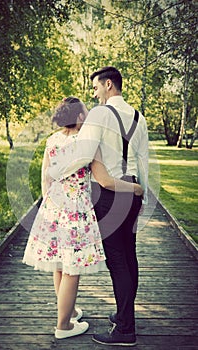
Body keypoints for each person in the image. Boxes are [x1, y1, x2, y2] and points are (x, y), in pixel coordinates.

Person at [22, 96, 143, 340]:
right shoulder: (87, 142)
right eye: (86, 113)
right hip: (75, 207)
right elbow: (106, 181)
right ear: (78, 117)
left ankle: (68, 311)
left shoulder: (51, 140)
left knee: (58, 262)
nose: (88, 117)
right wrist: (135, 189)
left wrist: (51, 203)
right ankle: (63, 325)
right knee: (71, 268)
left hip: (52, 205)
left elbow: (45, 178)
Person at [48, 67, 149, 346]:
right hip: (133, 191)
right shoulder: (139, 117)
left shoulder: (100, 114)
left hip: (110, 193)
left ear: (108, 85)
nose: (93, 93)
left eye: (95, 88)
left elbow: (83, 155)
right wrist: (144, 197)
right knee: (130, 257)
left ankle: (125, 331)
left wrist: (56, 172)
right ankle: (123, 316)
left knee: (117, 262)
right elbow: (144, 162)